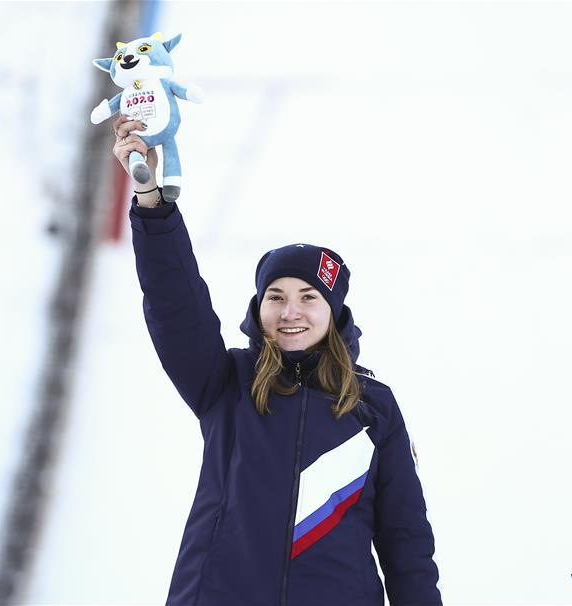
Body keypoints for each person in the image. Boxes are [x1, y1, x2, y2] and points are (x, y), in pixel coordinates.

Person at [113, 115, 442, 606]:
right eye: (276, 296)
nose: (291, 312)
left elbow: (406, 543)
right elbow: (174, 304)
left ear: (332, 312)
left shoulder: (374, 408)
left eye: (309, 297)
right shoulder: (226, 384)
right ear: (259, 307)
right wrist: (151, 203)